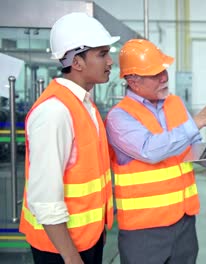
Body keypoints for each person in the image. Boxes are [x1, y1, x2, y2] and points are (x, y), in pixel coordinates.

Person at [105, 39, 206, 264]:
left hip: (184, 223)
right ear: (133, 80)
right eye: (155, 74)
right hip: (144, 230)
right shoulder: (120, 117)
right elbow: (150, 150)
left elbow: (190, 145)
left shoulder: (174, 103)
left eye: (164, 71)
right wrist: (198, 121)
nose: (164, 77)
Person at [19, 12, 119, 264]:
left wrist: (97, 234)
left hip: (88, 238)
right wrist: (71, 257)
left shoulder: (85, 105)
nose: (110, 61)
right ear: (77, 62)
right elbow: (44, 198)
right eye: (102, 54)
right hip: (61, 250)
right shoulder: (55, 112)